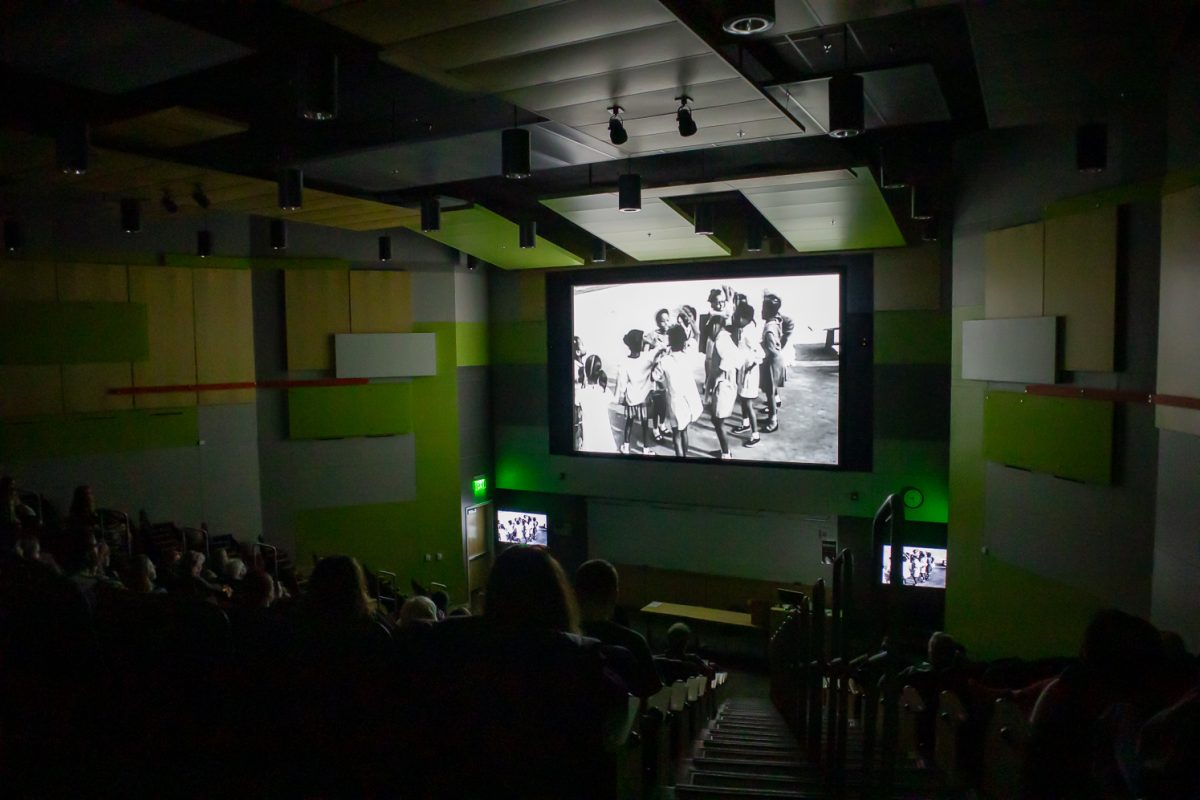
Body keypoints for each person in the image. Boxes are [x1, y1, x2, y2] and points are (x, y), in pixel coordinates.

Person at [574, 559, 662, 698]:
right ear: (615, 595)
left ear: (576, 594)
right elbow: (653, 694)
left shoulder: (558, 640)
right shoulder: (634, 644)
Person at [658, 324, 704, 457]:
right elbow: (696, 336)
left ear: (670, 342)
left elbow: (657, 377)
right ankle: (686, 457)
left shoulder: (665, 360)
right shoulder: (688, 356)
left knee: (676, 434)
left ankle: (680, 460)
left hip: (675, 401)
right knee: (684, 431)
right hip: (688, 400)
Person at [612, 328, 656, 455]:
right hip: (643, 398)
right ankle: (646, 449)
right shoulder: (647, 358)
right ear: (640, 344)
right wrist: (650, 340)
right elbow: (660, 348)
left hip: (631, 397)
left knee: (629, 422)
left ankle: (625, 446)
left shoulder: (625, 361)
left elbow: (623, 382)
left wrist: (622, 395)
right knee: (645, 424)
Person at [704, 314, 742, 459]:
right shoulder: (726, 338)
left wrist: (715, 375)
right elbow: (738, 359)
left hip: (723, 384)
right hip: (726, 383)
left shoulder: (721, 341)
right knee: (717, 419)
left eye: (709, 330)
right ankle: (724, 451)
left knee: (718, 421)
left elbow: (727, 362)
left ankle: (726, 454)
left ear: (715, 326)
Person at [729, 301, 764, 447]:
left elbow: (760, 354)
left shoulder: (750, 333)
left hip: (749, 373)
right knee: (743, 399)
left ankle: (755, 435)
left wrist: (750, 367)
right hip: (744, 370)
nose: (735, 320)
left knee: (748, 403)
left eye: (737, 317)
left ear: (745, 318)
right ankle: (745, 424)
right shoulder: (745, 330)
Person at [758, 292, 791, 433]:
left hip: (772, 363)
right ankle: (772, 415)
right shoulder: (775, 320)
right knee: (769, 391)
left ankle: (773, 421)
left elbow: (772, 351)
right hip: (773, 361)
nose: (761, 311)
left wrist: (759, 348)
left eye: (763, 309)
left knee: (770, 393)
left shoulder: (770, 329)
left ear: (769, 311)